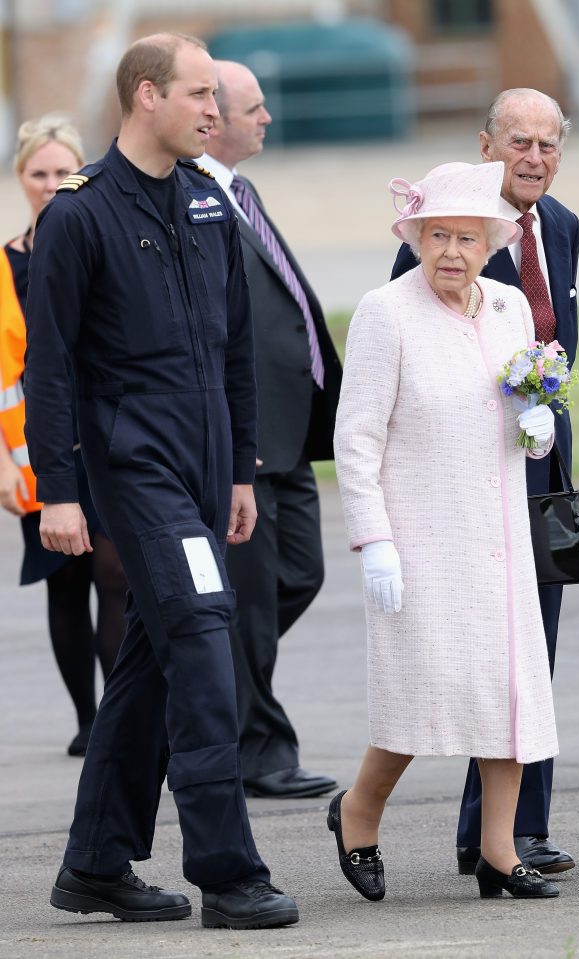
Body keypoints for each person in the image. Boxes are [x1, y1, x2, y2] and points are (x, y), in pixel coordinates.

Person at [23, 33, 298, 929]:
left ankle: (97, 863)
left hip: (207, 471)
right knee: (204, 644)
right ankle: (229, 871)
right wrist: (58, 491)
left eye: (217, 96)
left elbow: (234, 354)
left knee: (151, 657)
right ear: (146, 96)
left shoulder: (208, 203)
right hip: (134, 472)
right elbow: (53, 368)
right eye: (199, 94)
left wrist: (243, 472)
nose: (214, 110)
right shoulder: (80, 214)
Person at [331, 159, 562, 902]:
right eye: (438, 236)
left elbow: (522, 411)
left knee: (509, 690)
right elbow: (355, 440)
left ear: (493, 241)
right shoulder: (385, 311)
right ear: (417, 236)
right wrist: (374, 542)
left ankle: (498, 849)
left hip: (499, 536)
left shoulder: (507, 308)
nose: (452, 252)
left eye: (467, 237)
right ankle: (359, 812)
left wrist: (538, 430)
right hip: (418, 538)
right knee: (418, 693)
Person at [391, 88, 579, 876]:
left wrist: (544, 409)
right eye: (517, 142)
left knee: (534, 645)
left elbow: (557, 342)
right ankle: (461, 824)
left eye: (546, 144)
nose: (532, 158)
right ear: (484, 145)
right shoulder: (448, 223)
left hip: (539, 458)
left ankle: (511, 831)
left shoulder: (560, 225)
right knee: (477, 651)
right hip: (463, 470)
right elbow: (412, 338)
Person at [197, 60, 341, 799]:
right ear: (212, 117)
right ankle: (259, 750)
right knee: (249, 602)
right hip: (244, 441)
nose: (267, 119)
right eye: (254, 108)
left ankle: (195, 685)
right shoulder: (192, 199)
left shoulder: (239, 191)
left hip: (290, 430)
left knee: (299, 575)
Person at [0, 114, 127, 757]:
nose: (51, 185)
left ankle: (120, 716)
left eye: (62, 172)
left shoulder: (96, 243)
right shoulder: (3, 267)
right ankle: (88, 716)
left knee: (114, 572)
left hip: (107, 440)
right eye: (38, 173)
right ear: (20, 179)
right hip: (39, 452)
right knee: (66, 582)